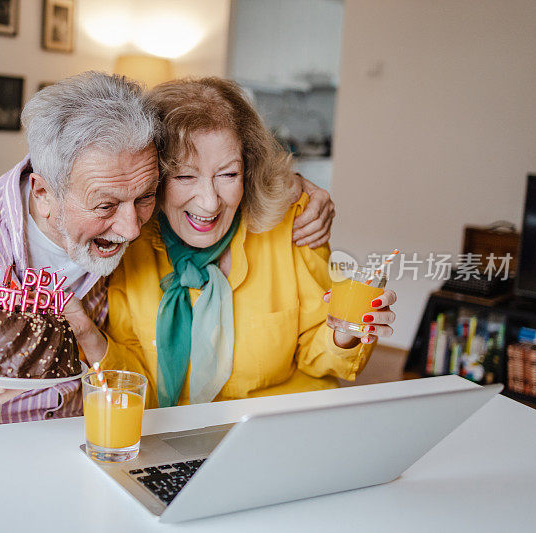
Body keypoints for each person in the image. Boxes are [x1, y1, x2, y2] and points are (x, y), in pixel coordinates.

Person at [0, 72, 334, 532]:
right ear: (44, 192)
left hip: (95, 461)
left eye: (144, 198)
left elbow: (209, 166)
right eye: (105, 207)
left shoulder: (134, 198)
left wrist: (299, 187)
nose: (132, 228)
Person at [66, 77, 397, 408]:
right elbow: (134, 385)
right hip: (183, 439)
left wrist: (345, 332)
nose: (210, 202)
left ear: (248, 172)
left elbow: (319, 355)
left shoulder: (293, 223)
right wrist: (87, 335)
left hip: (281, 426)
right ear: (154, 178)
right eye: (184, 176)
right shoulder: (131, 243)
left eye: (228, 175)